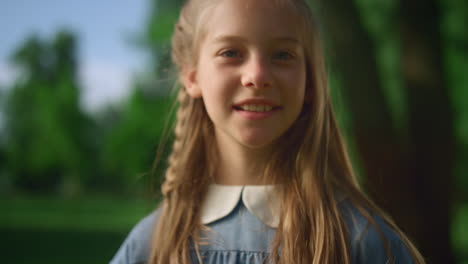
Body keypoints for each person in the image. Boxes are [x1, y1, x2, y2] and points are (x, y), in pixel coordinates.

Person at [111, 0, 425, 263]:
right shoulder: (152, 245)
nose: (257, 75)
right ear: (192, 77)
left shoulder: (363, 242)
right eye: (231, 53)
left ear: (310, 82)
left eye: (282, 55)